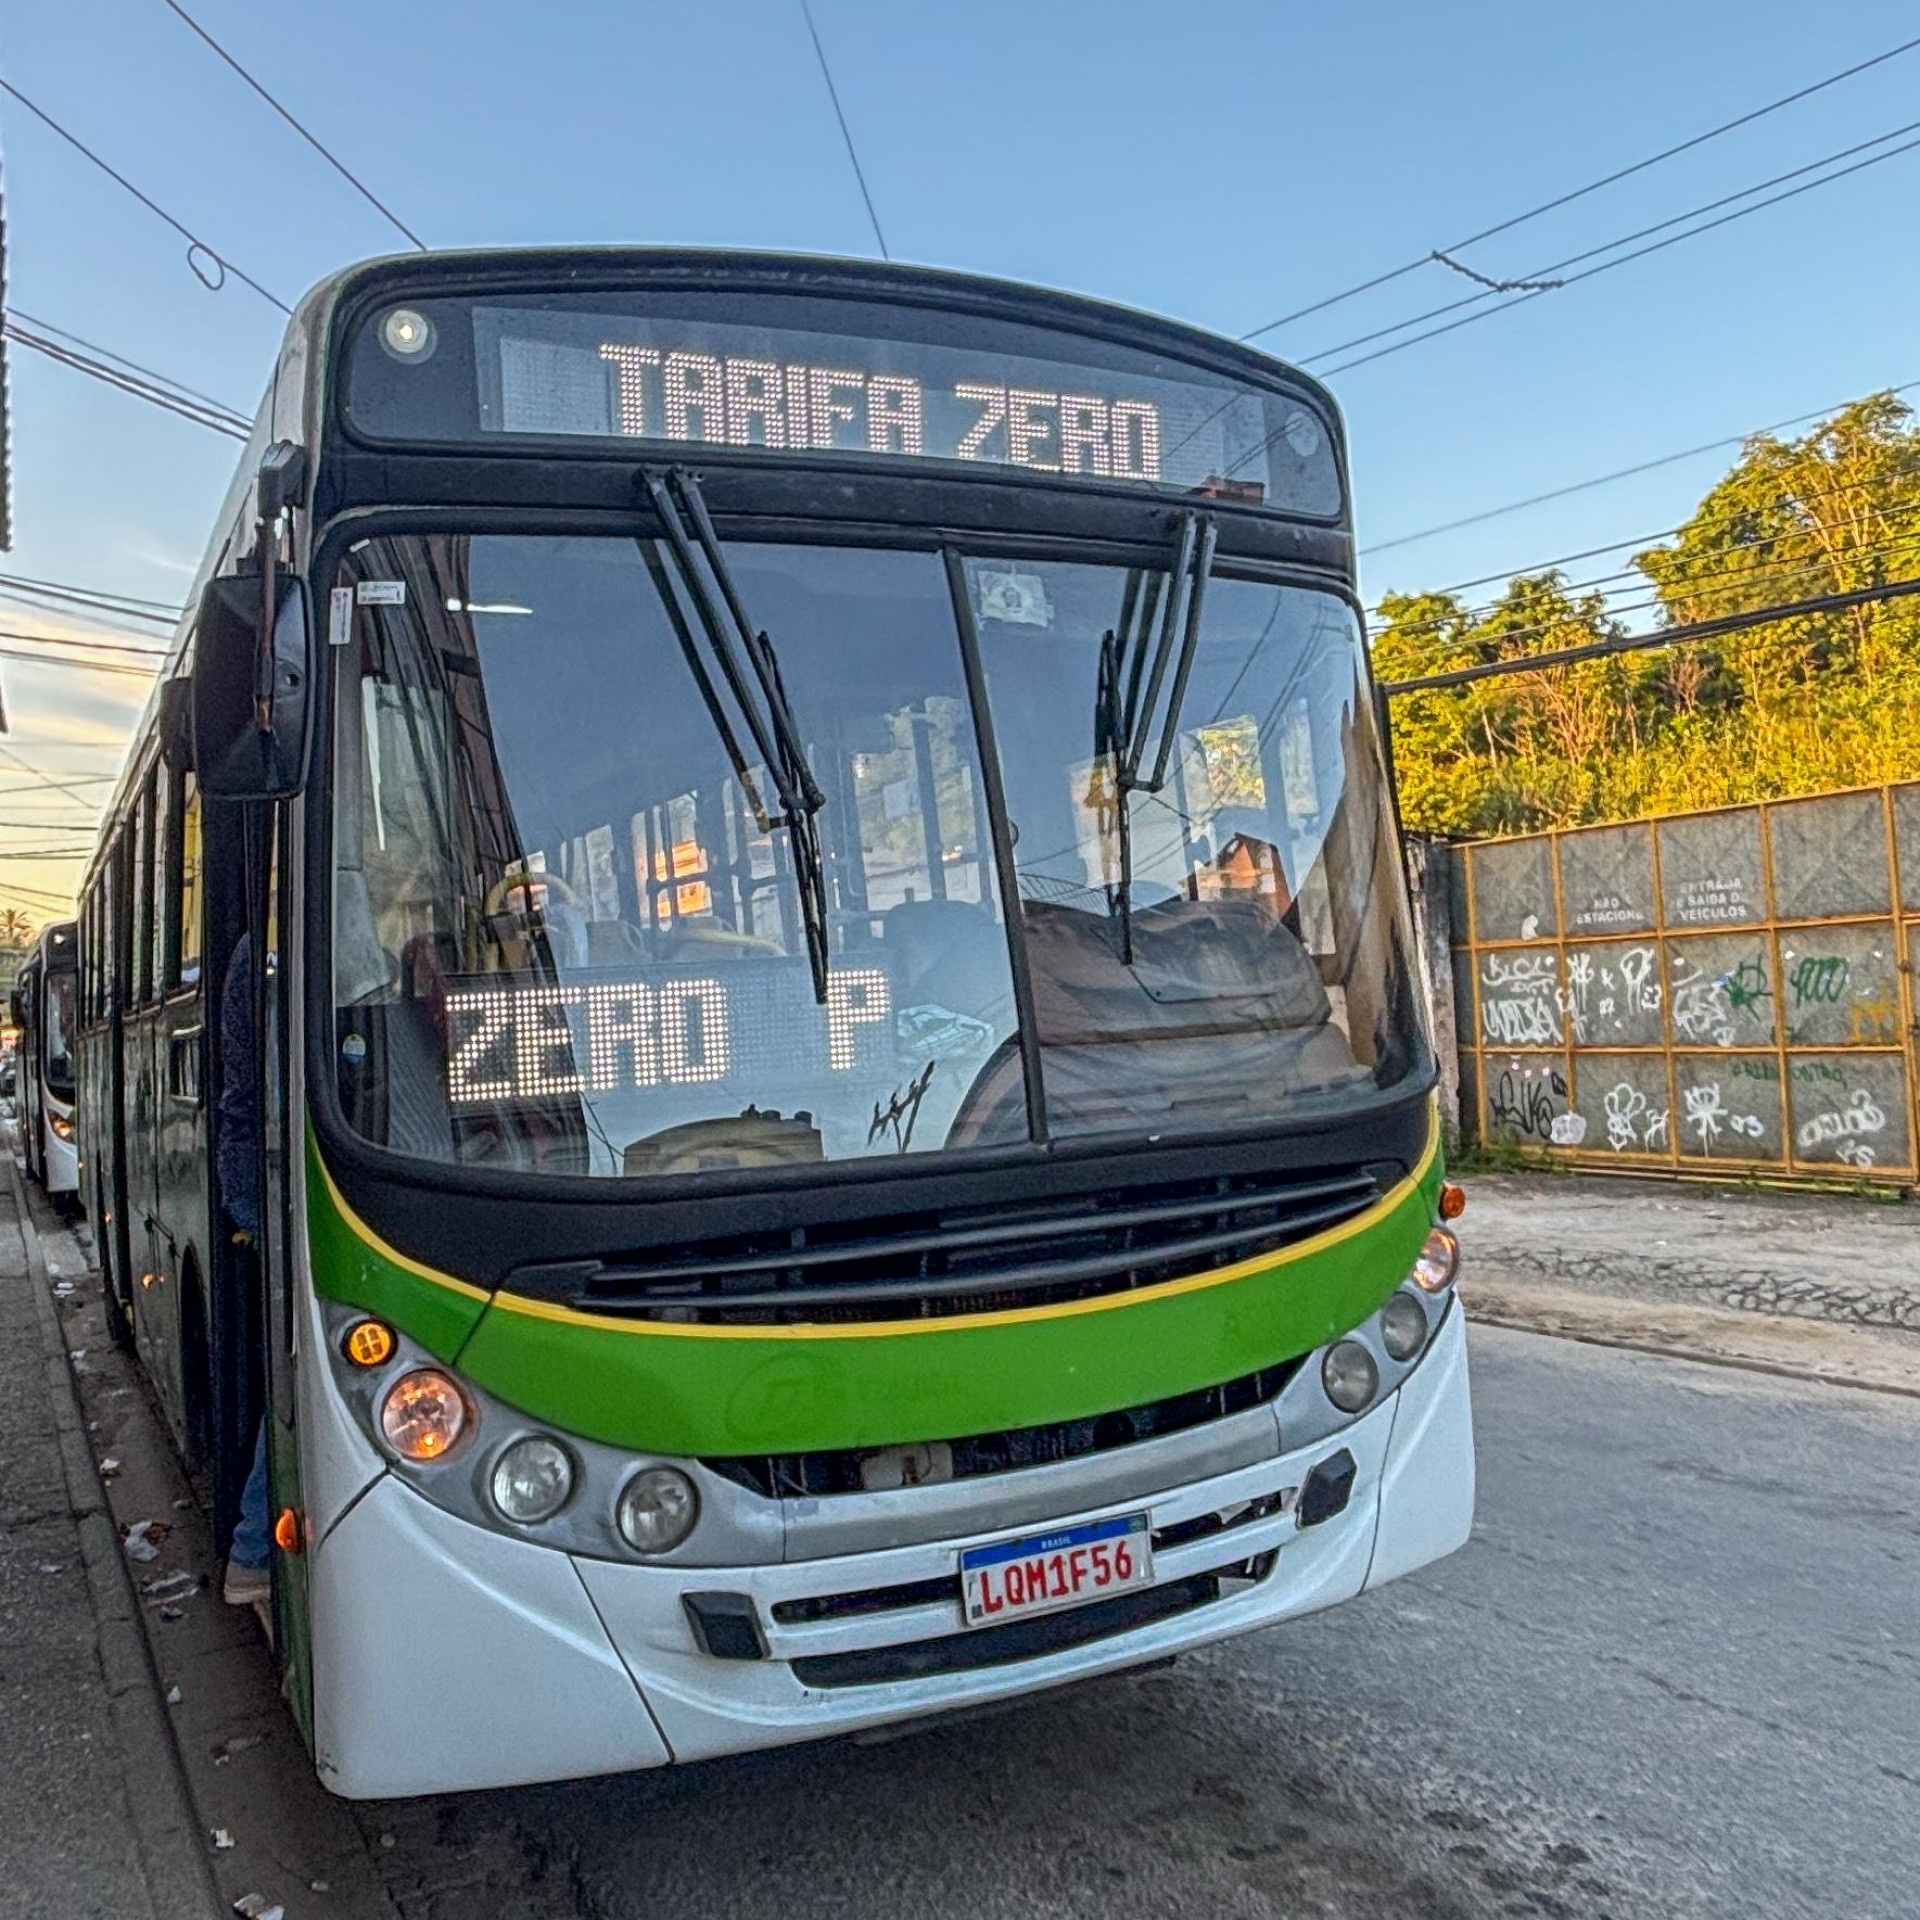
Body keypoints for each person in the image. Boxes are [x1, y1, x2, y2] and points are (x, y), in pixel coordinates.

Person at [216, 931, 271, 1607]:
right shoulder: (275, 955)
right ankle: (252, 1550)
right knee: (304, 1369)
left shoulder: (264, 951)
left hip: (253, 1173)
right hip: (265, 1177)